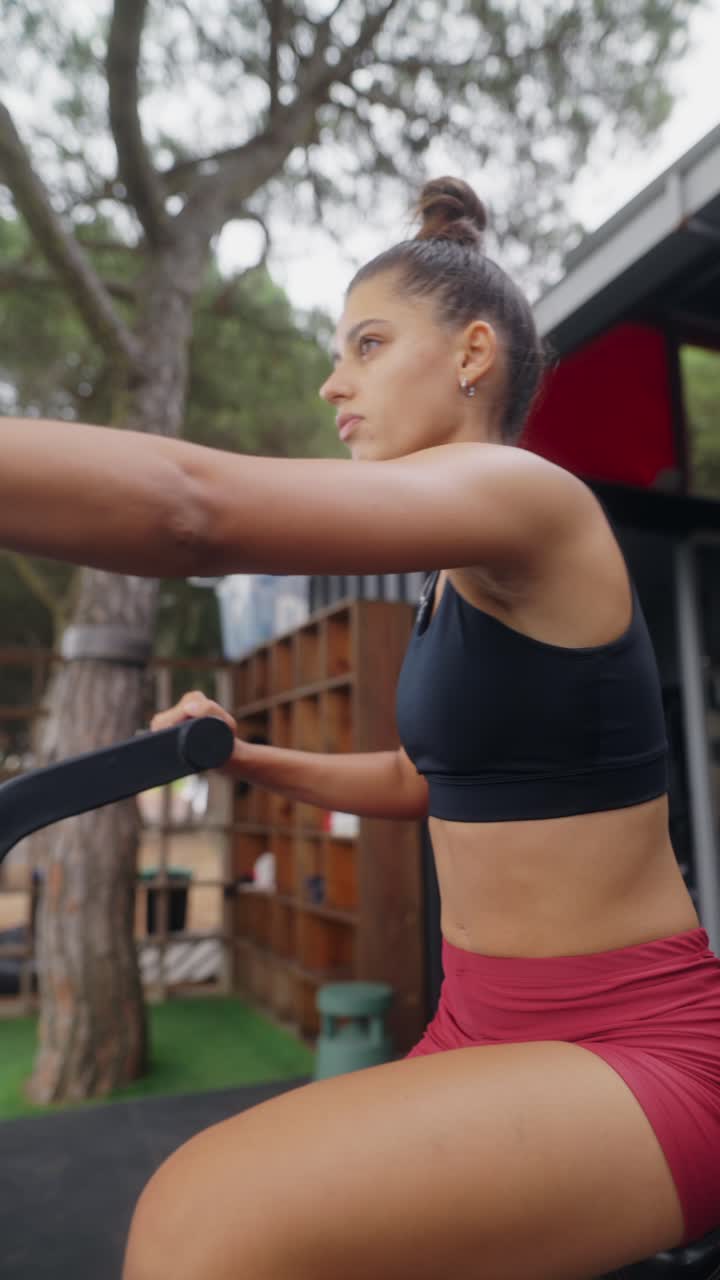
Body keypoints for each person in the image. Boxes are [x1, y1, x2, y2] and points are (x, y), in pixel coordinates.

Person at [2, 177, 720, 1280]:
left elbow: (194, 511)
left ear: (472, 354)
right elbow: (423, 776)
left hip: (633, 1044)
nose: (335, 383)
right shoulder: (452, 572)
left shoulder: (531, 501)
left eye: (368, 345)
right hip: (479, 1019)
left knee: (200, 1224)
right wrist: (245, 752)